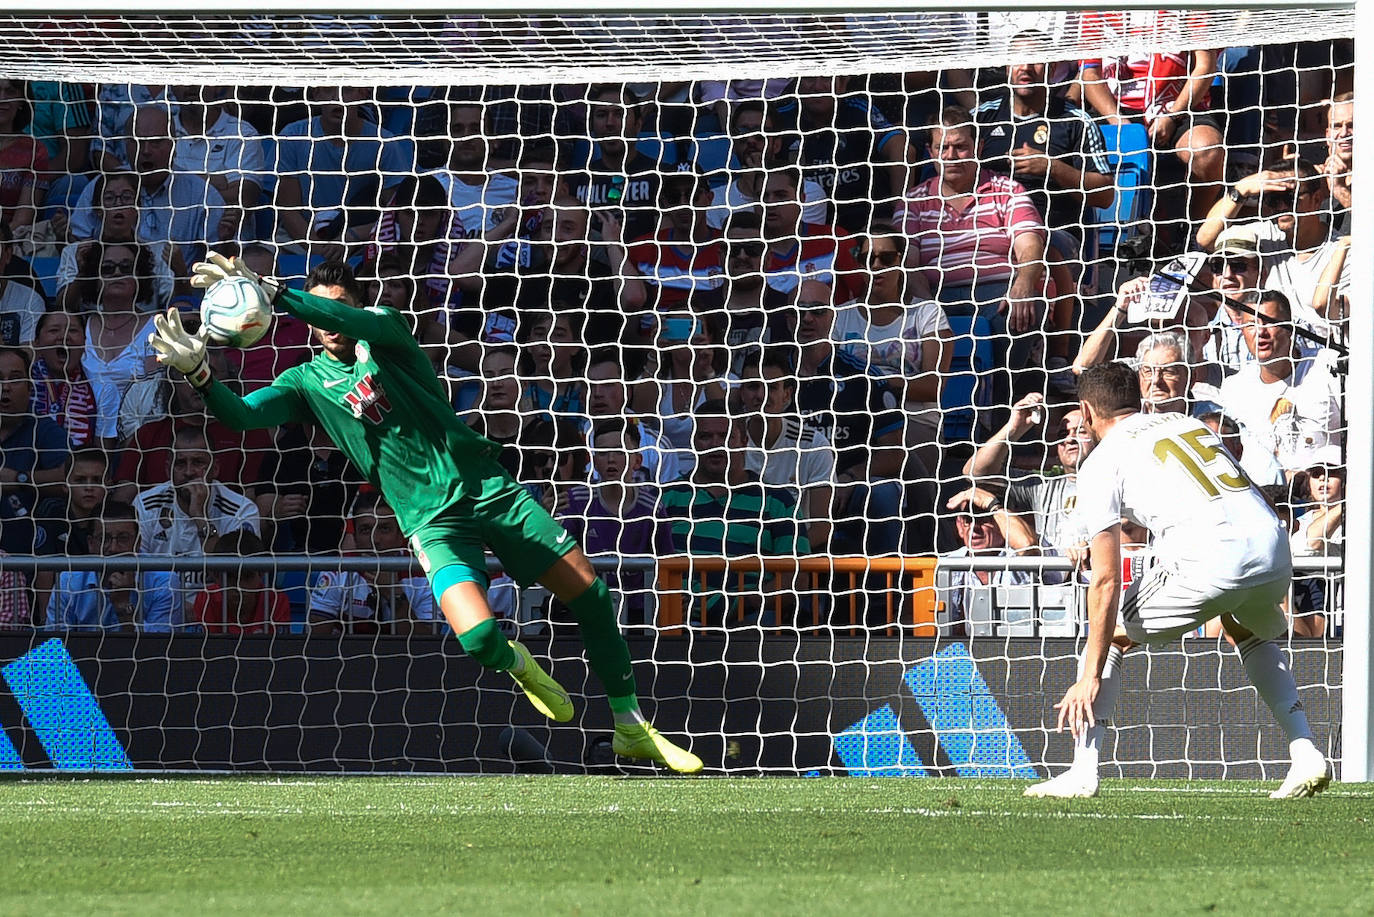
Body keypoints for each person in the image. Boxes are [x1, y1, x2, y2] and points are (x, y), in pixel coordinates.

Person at [155, 254, 701, 772]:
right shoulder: (306, 382)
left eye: (339, 307)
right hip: (429, 520)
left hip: (487, 488)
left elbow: (347, 316)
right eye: (323, 315)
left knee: (589, 591)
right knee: (480, 640)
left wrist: (281, 294)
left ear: (355, 307)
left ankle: (631, 724)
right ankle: (521, 667)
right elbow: (244, 416)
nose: (331, 324)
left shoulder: (386, 333)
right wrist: (200, 373)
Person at [1025, 362, 1330, 799]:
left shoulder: (1100, 462)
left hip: (1211, 557)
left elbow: (1106, 578)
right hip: (1273, 548)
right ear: (1139, 398)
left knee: (1109, 636)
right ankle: (1305, 751)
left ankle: (1082, 772)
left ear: (1086, 411)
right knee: (1244, 629)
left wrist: (1088, 674)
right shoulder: (1187, 423)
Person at [658, 403, 809, 624]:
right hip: (678, 619)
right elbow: (644, 566)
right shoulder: (664, 498)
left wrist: (744, 603)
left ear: (744, 441)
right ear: (693, 443)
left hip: (751, 622)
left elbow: (797, 577)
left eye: (725, 436)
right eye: (705, 436)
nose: (715, 445)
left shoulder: (778, 501)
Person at [1078, 11, 1225, 223]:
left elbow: (1205, 66)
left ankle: (1195, 231)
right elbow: (1089, 75)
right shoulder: (1098, 8)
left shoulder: (1191, 6)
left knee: (1207, 152)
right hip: (1114, 108)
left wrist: (1173, 116)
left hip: (1179, 104)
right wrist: (1120, 123)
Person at [68, 105, 226, 276]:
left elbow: (221, 260)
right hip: (111, 291)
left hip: (179, 295)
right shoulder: (103, 186)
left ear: (173, 144)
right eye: (138, 142)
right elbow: (77, 246)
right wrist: (64, 236)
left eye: (156, 142)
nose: (146, 151)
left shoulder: (201, 194)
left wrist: (226, 240)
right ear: (126, 145)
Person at [274, 86, 414, 261]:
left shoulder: (385, 144)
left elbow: (397, 213)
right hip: (298, 240)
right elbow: (289, 209)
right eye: (328, 90)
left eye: (347, 90)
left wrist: (353, 236)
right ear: (316, 95)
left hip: (362, 241)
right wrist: (318, 248)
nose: (337, 98)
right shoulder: (292, 136)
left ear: (363, 94)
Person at [558, 420, 675, 626]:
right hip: (585, 608)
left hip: (640, 613)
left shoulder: (652, 508)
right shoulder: (576, 500)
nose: (611, 459)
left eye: (620, 451)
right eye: (603, 453)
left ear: (637, 461)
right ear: (594, 461)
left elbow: (667, 563)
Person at [1216, 291, 1342, 474]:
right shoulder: (1233, 389)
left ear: (1290, 327)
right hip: (1266, 493)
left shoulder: (1327, 366)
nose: (1261, 332)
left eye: (1270, 322)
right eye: (1251, 325)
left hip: (1324, 491)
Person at [776, 74, 914, 231]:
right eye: (810, 78)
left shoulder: (858, 109)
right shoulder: (780, 118)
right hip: (803, 226)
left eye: (827, 78)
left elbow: (902, 149)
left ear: (842, 84)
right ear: (797, 83)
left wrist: (899, 219)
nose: (818, 87)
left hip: (864, 223)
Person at [961, 395, 1092, 555]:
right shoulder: (1043, 486)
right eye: (1062, 434)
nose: (1070, 439)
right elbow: (974, 473)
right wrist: (1014, 427)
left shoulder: (1117, 481)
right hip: (1049, 578)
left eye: (1081, 431)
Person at [308, 490, 433, 635]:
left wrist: (395, 595)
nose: (375, 539)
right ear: (354, 537)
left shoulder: (422, 574)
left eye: (384, 529)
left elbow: (426, 644)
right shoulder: (338, 571)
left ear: (401, 536)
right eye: (365, 530)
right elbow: (316, 640)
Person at [45, 501, 180, 632]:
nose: (114, 548)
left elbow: (160, 648)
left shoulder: (164, 582)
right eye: (104, 538)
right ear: (91, 543)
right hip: (82, 654)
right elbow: (55, 646)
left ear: (138, 542)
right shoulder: (68, 581)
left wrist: (123, 607)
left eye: (123, 538)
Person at [937, 485, 1048, 631]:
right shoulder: (946, 565)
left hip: (1021, 647)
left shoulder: (1021, 555)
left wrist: (992, 506)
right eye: (968, 519)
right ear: (959, 526)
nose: (974, 527)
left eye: (984, 518)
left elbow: (1027, 545)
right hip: (967, 650)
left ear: (1002, 522)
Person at [192, 529, 292, 635]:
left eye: (247, 577)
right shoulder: (206, 599)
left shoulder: (276, 601)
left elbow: (280, 649)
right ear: (216, 576)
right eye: (230, 577)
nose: (239, 586)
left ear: (261, 574)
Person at [29, 311, 98, 450]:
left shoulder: (102, 387)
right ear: (37, 343)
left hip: (79, 468)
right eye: (54, 330)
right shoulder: (21, 383)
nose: (64, 336)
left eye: (72, 330)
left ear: (85, 341)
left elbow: (102, 453)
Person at [0, 79, 51, 237]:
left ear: (22, 101)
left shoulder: (35, 151)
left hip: (9, 239)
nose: (2, 98)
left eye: (10, 91)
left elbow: (23, 218)